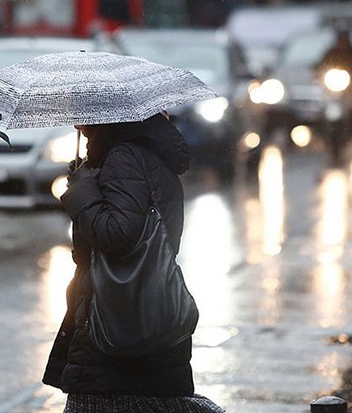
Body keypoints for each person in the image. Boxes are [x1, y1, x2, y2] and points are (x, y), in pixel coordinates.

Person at [42, 112, 225, 413]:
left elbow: (119, 235)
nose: (79, 126)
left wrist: (82, 192)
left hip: (116, 322)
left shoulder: (124, 158)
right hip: (142, 315)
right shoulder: (145, 157)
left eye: (86, 116)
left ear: (109, 118)